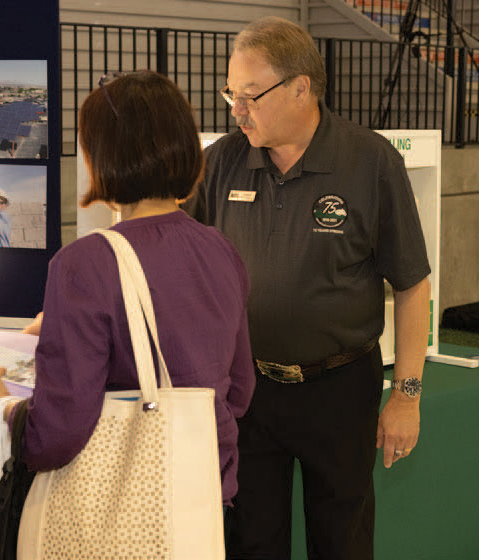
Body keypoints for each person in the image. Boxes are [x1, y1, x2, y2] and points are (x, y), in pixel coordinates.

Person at [183, 16, 431, 560]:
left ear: (302, 87)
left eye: (250, 95)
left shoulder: (370, 163)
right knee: (250, 540)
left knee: (341, 540)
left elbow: (413, 286)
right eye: (231, 93)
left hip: (339, 391)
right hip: (247, 392)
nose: (236, 109)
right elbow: (169, 248)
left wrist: (406, 397)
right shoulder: (223, 161)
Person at [0, 70, 255, 512]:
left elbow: (58, 433)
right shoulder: (220, 249)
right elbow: (238, 391)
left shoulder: (85, 264)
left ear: (101, 157)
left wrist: (4, 410)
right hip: (206, 496)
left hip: (124, 512)